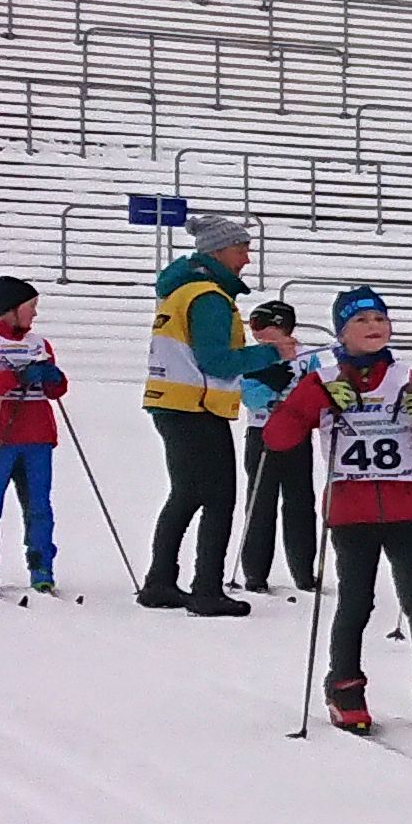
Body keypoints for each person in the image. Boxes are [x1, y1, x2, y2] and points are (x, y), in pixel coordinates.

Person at [274, 287, 412, 737]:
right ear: (342, 332)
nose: (374, 327)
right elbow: (279, 438)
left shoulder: (406, 377)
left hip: (405, 504)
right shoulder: (323, 380)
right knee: (356, 599)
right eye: (361, 321)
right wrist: (317, 402)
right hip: (352, 507)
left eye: (380, 319)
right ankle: (344, 685)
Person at [139, 214, 278, 612]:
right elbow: (216, 360)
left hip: (172, 403)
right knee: (219, 499)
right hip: (196, 407)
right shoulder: (209, 297)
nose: (247, 259)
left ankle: (160, 581)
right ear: (217, 252)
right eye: (241, 250)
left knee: (185, 494)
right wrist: (270, 354)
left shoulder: (180, 290)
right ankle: (207, 589)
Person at [0, 275, 67, 596]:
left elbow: (56, 390)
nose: (35, 313)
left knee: (39, 506)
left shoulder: (39, 343)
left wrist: (53, 378)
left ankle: (42, 568)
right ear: (11, 309)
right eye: (31, 306)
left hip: (36, 436)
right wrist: (17, 376)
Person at [232, 299, 325, 595]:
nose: (255, 332)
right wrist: (268, 387)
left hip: (297, 435)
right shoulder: (254, 357)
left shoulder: (307, 357)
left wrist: (301, 399)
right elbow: (248, 396)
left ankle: (303, 572)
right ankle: (255, 573)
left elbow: (318, 391)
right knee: (260, 504)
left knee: (300, 502)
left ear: (281, 326)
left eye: (260, 325)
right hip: (262, 432)